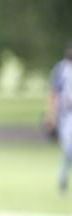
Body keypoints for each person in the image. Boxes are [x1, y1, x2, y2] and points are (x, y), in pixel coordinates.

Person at [45, 41, 72, 193]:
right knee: (69, 148)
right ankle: (63, 179)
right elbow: (53, 94)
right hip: (66, 115)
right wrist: (52, 117)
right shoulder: (61, 69)